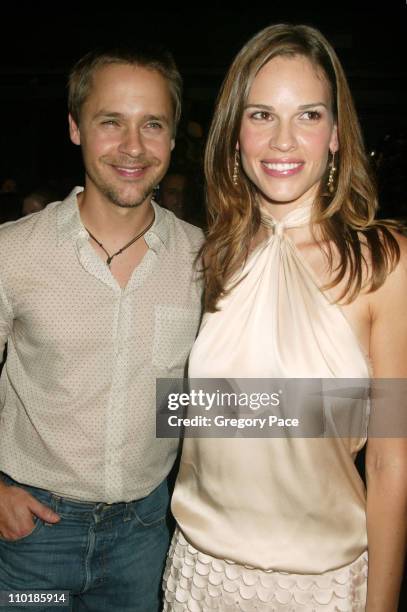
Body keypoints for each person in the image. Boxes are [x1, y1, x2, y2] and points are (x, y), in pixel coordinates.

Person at [163, 24, 407, 611]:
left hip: (321, 582)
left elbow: (391, 455)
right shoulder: (211, 254)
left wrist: (382, 606)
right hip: (200, 571)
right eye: (262, 115)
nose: (283, 140)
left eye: (309, 115)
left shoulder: (385, 260)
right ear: (235, 134)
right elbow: (198, 414)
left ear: (335, 137)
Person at [0, 46, 203, 611]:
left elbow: (209, 399)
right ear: (75, 128)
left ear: (170, 137)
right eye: (111, 121)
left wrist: (360, 412)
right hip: (32, 535)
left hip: (146, 534)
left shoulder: (205, 260)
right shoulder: (11, 252)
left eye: (152, 124)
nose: (133, 146)